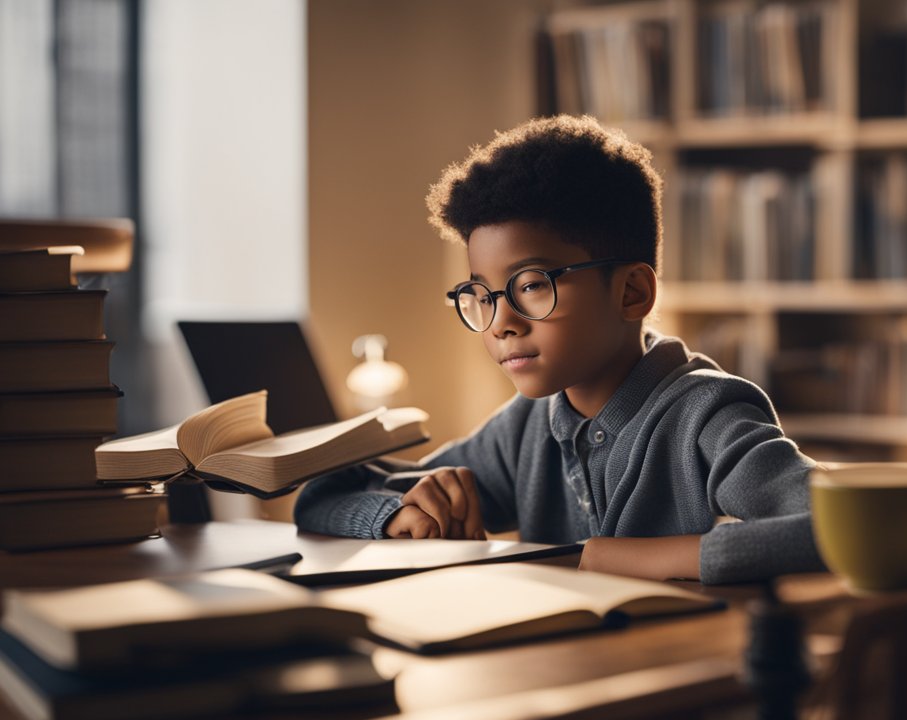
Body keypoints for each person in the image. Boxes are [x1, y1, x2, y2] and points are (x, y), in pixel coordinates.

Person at [295, 115, 823, 584]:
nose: (501, 323)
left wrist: (614, 558)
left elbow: (840, 531)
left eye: (531, 285)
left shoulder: (704, 416)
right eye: (480, 295)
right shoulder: (526, 427)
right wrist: (393, 516)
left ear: (632, 292)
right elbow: (321, 496)